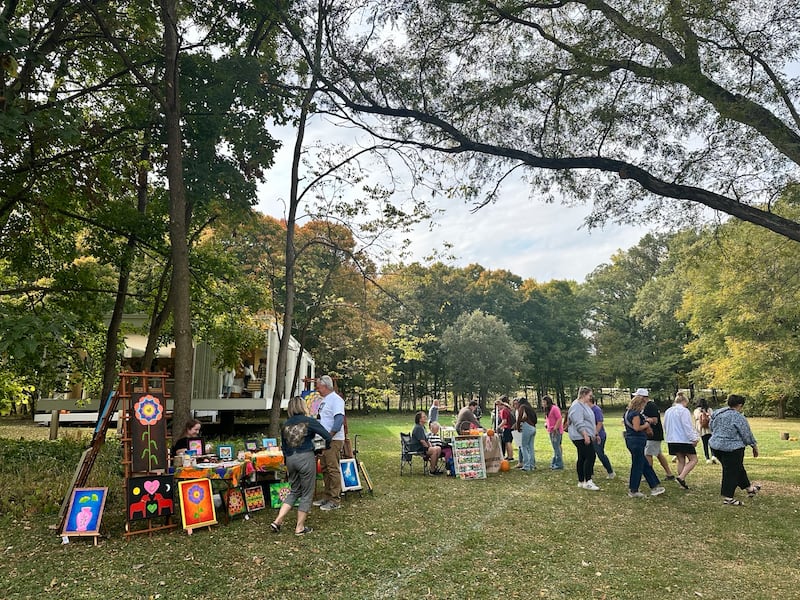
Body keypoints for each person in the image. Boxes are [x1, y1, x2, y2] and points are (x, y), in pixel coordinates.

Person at [270, 396, 332, 536]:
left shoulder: (285, 424)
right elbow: (327, 437)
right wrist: (322, 449)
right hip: (305, 458)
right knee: (307, 493)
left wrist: (287, 463)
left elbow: (284, 447)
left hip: (291, 459)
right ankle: (300, 527)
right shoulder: (309, 421)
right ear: (303, 406)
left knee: (294, 490)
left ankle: (278, 520)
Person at [709, 394, 760, 506]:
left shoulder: (718, 413)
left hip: (716, 446)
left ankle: (749, 488)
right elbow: (746, 434)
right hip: (732, 448)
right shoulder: (738, 417)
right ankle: (728, 498)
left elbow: (711, 427)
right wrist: (754, 446)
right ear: (740, 405)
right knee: (731, 471)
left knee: (736, 467)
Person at [623, 393, 666, 498]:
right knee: (638, 466)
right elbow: (637, 428)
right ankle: (633, 490)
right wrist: (647, 424)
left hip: (632, 441)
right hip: (636, 441)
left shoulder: (627, 413)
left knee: (645, 465)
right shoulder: (635, 414)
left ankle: (654, 486)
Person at [314, 375, 345, 511]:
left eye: (318, 387)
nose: (317, 389)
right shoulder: (324, 401)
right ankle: (326, 496)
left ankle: (335, 500)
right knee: (325, 468)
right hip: (322, 440)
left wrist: (329, 436)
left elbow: (338, 420)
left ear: (325, 386)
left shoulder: (336, 400)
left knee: (332, 469)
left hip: (333, 439)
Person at [663, 391, 699, 489]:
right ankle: (681, 477)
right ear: (684, 401)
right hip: (683, 440)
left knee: (681, 460)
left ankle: (681, 483)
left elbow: (665, 425)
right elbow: (687, 426)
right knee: (693, 459)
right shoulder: (684, 411)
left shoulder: (668, 411)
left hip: (672, 439)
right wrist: (694, 438)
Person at [567, 386, 600, 490]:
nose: (590, 397)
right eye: (589, 395)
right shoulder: (576, 406)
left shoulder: (584, 405)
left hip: (586, 435)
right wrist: (585, 435)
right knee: (590, 456)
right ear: (583, 395)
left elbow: (589, 421)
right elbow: (578, 422)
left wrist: (595, 434)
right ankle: (588, 481)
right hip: (579, 436)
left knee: (582, 457)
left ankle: (581, 481)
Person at [641, 389, 676, 481]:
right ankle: (669, 474)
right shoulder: (644, 406)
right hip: (651, 434)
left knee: (647, 454)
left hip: (653, 434)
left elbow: (655, 420)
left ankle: (649, 475)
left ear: (643, 397)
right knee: (658, 454)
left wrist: (645, 421)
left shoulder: (650, 406)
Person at [589, 394, 615, 479]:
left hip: (599, 435)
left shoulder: (596, 409)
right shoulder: (586, 410)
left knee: (600, 453)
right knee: (590, 454)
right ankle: (590, 472)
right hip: (590, 435)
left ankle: (610, 472)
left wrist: (596, 434)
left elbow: (599, 423)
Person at [543, 395, 564, 470]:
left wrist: (555, 427)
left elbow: (559, 418)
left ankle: (559, 464)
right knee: (556, 447)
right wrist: (547, 424)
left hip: (556, 431)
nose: (543, 403)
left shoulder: (554, 408)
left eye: (544, 402)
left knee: (556, 447)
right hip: (551, 430)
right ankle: (554, 462)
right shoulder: (547, 409)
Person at [516, 398, 537, 471]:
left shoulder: (522, 407)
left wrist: (518, 427)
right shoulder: (530, 408)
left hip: (526, 427)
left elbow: (519, 418)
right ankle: (532, 465)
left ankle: (527, 465)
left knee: (523, 446)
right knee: (531, 447)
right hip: (533, 427)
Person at [693, 398, 716, 464]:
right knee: (711, 443)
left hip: (702, 429)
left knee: (705, 444)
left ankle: (707, 458)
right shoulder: (710, 409)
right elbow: (713, 417)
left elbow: (696, 418)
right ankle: (713, 456)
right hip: (710, 428)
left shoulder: (697, 410)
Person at [496, 397, 514, 461]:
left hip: (507, 428)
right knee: (508, 442)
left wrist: (498, 427)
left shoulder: (503, 411)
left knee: (507, 442)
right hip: (510, 428)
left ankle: (510, 457)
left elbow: (504, 421)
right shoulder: (507, 409)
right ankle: (509, 455)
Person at [511, 398, 524, 468]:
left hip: (521, 429)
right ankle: (520, 461)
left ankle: (522, 461)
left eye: (517, 403)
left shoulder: (520, 410)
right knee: (519, 445)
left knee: (522, 446)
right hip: (516, 429)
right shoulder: (515, 411)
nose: (515, 405)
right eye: (514, 404)